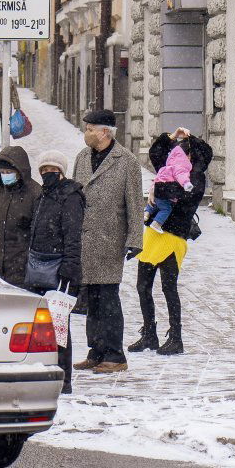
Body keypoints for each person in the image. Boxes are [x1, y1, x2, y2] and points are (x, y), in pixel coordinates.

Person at [70, 109, 144, 374]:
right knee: (92, 298)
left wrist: (136, 238)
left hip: (110, 239)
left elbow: (135, 203)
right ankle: (96, 350)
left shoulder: (126, 161)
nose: (86, 133)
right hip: (84, 239)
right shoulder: (81, 158)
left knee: (108, 298)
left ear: (104, 132)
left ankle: (115, 354)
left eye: (89, 129)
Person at [128, 128, 213, 356]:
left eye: (185, 152)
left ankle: (176, 337)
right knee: (142, 286)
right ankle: (149, 334)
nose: (179, 156)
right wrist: (171, 137)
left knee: (168, 288)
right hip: (153, 235)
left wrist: (157, 186)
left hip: (173, 237)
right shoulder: (171, 168)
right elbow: (156, 154)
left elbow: (180, 195)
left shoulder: (196, 178)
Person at [27, 149, 84, 395]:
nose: (48, 174)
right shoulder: (43, 196)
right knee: (41, 324)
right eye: (44, 170)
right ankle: (44, 372)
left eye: (52, 170)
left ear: (61, 171)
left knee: (59, 324)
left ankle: (64, 380)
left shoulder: (70, 196)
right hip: (38, 266)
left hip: (59, 268)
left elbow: (73, 236)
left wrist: (69, 268)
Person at [0, 146, 42, 288]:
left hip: (23, 271)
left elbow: (39, 235)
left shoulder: (35, 194)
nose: (5, 175)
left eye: (9, 172)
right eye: (2, 172)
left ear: (20, 172)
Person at [146, 139, 194, 233]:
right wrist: (186, 184)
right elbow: (181, 175)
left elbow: (157, 179)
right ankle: (157, 223)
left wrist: (152, 190)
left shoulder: (167, 166)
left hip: (159, 191)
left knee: (154, 204)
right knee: (165, 209)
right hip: (169, 201)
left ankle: (147, 212)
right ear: (187, 155)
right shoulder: (183, 166)